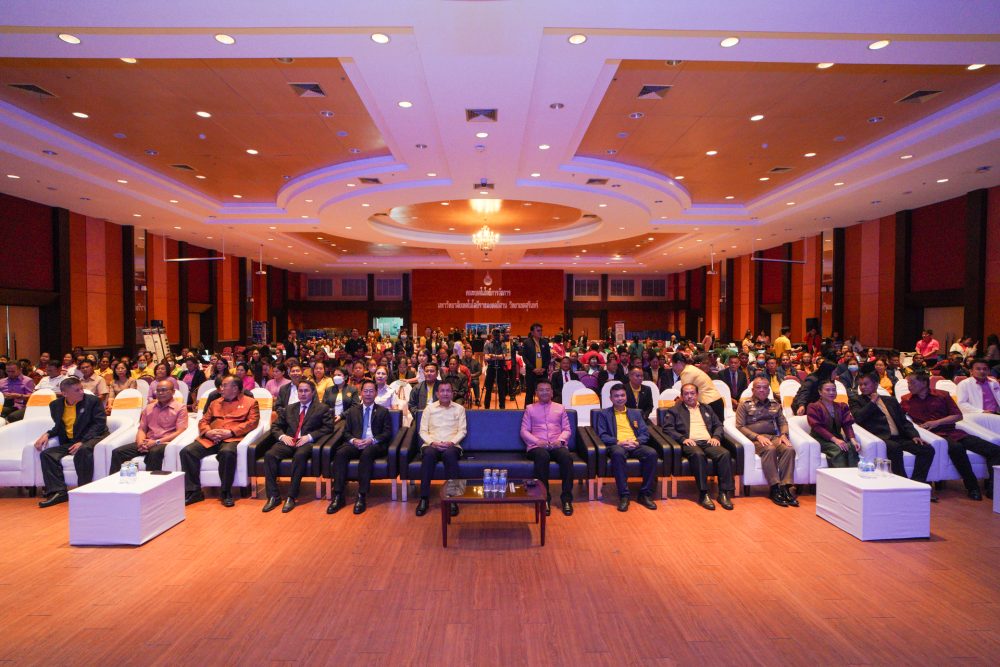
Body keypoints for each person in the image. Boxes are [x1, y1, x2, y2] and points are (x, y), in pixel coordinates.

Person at [901, 372, 1000, 500]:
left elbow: (958, 416)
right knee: (957, 448)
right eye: (908, 383)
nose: (909, 386)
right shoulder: (906, 399)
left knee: (995, 450)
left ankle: (994, 488)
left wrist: (937, 422)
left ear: (924, 383)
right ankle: (972, 487)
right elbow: (902, 420)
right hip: (933, 435)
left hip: (953, 432)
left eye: (912, 383)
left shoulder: (942, 395)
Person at [180, 376, 261, 507]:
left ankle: (225, 492)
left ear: (235, 388)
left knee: (227, 453)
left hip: (232, 438)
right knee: (187, 452)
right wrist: (207, 432)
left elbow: (252, 423)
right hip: (212, 438)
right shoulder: (215, 402)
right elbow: (203, 421)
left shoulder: (250, 402)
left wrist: (231, 432)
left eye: (224, 385)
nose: (220, 388)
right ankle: (194, 492)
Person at [850, 373, 935, 494]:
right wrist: (872, 402)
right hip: (880, 437)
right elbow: (858, 417)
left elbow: (904, 421)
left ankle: (918, 483)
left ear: (876, 384)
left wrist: (914, 435)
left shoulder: (890, 400)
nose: (862, 387)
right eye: (860, 385)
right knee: (895, 448)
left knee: (927, 449)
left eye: (865, 384)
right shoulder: (856, 400)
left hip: (900, 437)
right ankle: (904, 485)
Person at [34, 377, 109, 508]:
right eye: (77, 390)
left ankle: (83, 490)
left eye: (81, 388)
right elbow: (59, 427)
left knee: (83, 450)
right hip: (71, 441)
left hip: (94, 437)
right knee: (47, 454)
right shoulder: (55, 405)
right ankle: (58, 492)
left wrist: (83, 441)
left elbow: (99, 424)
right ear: (64, 393)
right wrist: (48, 434)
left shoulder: (93, 401)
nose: (82, 392)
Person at [662, 383, 735, 511]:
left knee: (724, 453)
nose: (689, 396)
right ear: (682, 396)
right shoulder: (675, 410)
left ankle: (723, 493)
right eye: (686, 394)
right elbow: (668, 428)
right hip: (690, 443)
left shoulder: (707, 408)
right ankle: (703, 493)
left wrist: (716, 437)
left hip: (708, 441)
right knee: (698, 454)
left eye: (692, 393)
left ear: (697, 394)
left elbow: (718, 425)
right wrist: (683, 439)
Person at [262, 379, 330, 514]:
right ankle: (273, 496)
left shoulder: (322, 408)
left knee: (300, 456)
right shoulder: (290, 408)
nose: (303, 394)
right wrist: (282, 436)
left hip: (307, 443)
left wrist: (309, 437)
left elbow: (328, 428)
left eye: (306, 391)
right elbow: (275, 426)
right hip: (289, 441)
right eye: (300, 391)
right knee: (269, 455)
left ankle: (291, 496)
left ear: (313, 392)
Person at [327, 380, 393, 515]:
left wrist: (371, 440)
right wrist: (353, 440)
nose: (368, 394)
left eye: (371, 391)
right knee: (340, 453)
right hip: (355, 443)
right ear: (361, 393)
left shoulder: (383, 411)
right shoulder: (352, 411)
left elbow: (387, 433)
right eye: (365, 391)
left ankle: (361, 495)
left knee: (367, 454)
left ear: (376, 393)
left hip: (374, 445)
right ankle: (338, 495)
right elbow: (346, 432)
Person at [735, 377, 798, 507]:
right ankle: (774, 488)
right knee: (769, 449)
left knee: (789, 449)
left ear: (769, 390)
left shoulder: (775, 404)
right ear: (753, 390)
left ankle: (785, 487)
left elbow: (783, 422)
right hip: (754, 440)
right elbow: (740, 426)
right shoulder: (744, 404)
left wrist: (784, 435)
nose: (762, 390)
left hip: (773, 437)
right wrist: (757, 436)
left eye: (765, 387)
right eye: (758, 387)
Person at [595, 383, 657, 512]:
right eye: (616, 396)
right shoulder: (604, 414)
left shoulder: (636, 413)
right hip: (618, 445)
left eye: (622, 395)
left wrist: (637, 442)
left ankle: (645, 494)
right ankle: (624, 495)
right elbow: (602, 435)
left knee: (651, 453)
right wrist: (619, 442)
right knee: (617, 453)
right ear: (611, 398)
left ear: (626, 397)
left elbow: (645, 433)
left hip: (635, 444)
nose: (620, 398)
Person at [520, 379, 574, 516]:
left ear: (552, 392)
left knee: (567, 457)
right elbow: (524, 431)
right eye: (541, 390)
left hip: (556, 444)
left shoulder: (560, 408)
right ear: (536, 393)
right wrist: (537, 441)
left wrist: (560, 440)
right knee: (542, 456)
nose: (544, 392)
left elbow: (567, 429)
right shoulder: (530, 409)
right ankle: (544, 499)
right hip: (537, 447)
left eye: (547, 390)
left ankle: (567, 499)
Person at [109, 379, 187, 474]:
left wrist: (156, 442)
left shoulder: (180, 408)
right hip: (147, 441)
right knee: (118, 452)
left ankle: (151, 481)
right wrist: (140, 443)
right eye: (158, 391)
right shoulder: (149, 407)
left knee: (154, 452)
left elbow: (180, 431)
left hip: (164, 442)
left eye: (164, 390)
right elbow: (142, 429)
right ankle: (120, 481)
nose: (160, 393)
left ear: (173, 392)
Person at [414, 381, 466, 517]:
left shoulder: (459, 409)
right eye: (442, 391)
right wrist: (433, 442)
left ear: (452, 393)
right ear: (437, 394)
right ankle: (424, 498)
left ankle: (453, 499)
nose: (445, 393)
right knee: (428, 455)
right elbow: (422, 431)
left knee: (450, 455)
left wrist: (451, 442)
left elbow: (462, 431)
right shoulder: (429, 409)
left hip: (452, 445)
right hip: (432, 444)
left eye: (448, 391)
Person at [807, 379, 861, 468]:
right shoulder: (813, 407)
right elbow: (817, 427)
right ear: (820, 392)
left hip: (837, 437)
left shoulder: (842, 406)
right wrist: (835, 440)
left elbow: (847, 424)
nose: (831, 392)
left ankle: (853, 474)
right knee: (837, 449)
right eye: (828, 390)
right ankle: (839, 475)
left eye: (834, 390)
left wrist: (853, 440)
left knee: (851, 447)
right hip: (820, 439)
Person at [670, 353, 726, 423]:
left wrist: (675, 407)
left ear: (678, 363)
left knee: (709, 428)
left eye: (673, 365)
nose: (673, 368)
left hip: (710, 404)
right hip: (715, 401)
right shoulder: (690, 368)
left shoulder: (686, 372)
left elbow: (685, 395)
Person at [519, 323, 550, 406]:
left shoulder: (545, 342)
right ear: (532, 332)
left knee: (544, 393)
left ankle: (545, 409)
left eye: (541, 330)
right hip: (531, 372)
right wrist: (533, 369)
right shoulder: (527, 343)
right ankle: (527, 411)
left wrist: (544, 368)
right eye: (538, 331)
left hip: (543, 372)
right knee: (529, 393)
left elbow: (548, 357)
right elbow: (525, 358)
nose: (540, 332)